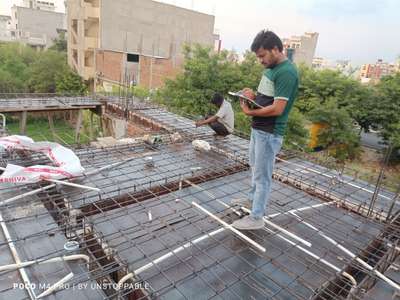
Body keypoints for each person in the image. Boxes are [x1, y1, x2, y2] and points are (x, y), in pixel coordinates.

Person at [231, 30, 299, 230]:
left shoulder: (286, 71)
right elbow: (268, 98)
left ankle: (256, 218)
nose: (260, 60)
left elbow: (278, 108)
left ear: (276, 49)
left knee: (262, 176)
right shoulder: (272, 68)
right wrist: (252, 95)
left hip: (269, 133)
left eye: (262, 55)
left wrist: (249, 112)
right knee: (255, 167)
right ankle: (252, 200)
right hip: (259, 130)